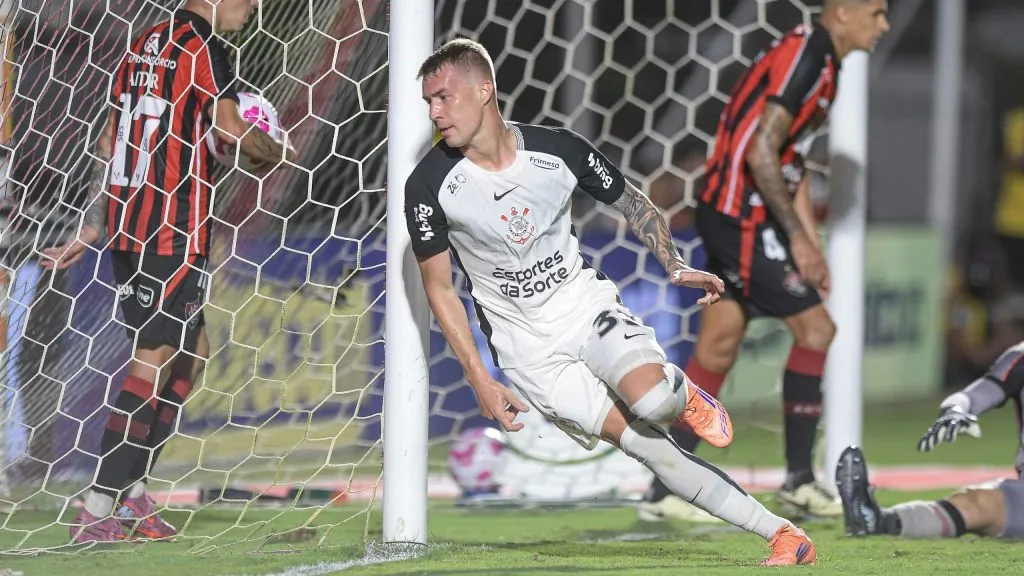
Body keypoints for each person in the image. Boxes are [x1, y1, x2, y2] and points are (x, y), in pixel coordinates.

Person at [405, 38, 817, 566]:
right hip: (529, 353)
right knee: (645, 445)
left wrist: (674, 264)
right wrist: (478, 377)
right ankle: (784, 534)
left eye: (444, 97)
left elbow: (631, 200)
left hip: (582, 305)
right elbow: (440, 287)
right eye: (429, 102)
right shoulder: (428, 186)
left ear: (485, 89)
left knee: (652, 403)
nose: (435, 112)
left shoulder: (558, 151)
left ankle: (683, 392)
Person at [42, 0, 293, 543]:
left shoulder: (142, 42)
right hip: (171, 230)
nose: (252, 7)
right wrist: (268, 149)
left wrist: (92, 226)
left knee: (193, 349)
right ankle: (98, 505)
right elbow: (230, 132)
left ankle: (130, 493)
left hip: (130, 226)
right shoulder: (205, 48)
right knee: (154, 358)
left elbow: (112, 142)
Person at [643, 0, 890, 520]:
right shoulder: (808, 56)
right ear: (843, 12)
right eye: (877, 12)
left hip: (734, 214)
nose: (884, 24)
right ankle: (799, 480)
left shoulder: (821, 62)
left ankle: (666, 488)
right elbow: (760, 152)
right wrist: (799, 239)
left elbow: (786, 157)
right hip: (740, 219)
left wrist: (809, 240)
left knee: (718, 344)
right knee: (817, 330)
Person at [837, 341, 1024, 539]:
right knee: (978, 502)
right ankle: (878, 521)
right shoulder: (1019, 358)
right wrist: (955, 410)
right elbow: (973, 396)